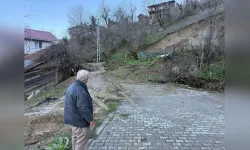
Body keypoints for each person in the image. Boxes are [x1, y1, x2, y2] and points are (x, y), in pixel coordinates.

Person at [64, 70, 94, 150]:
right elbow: (83, 108)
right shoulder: (80, 90)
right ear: (86, 79)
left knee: (75, 139)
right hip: (80, 123)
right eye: (88, 78)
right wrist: (90, 119)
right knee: (81, 143)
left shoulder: (72, 86)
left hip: (72, 121)